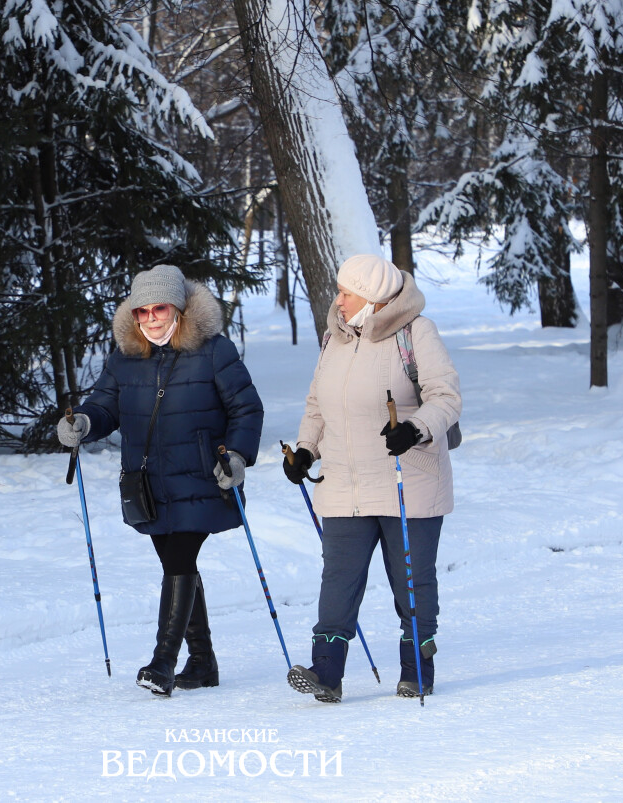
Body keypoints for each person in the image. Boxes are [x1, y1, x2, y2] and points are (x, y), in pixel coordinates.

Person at [56, 264, 263, 696]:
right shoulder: (125, 356)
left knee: (179, 559)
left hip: (204, 477)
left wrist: (238, 457)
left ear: (179, 308)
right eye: (142, 311)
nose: (151, 319)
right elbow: (104, 406)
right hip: (148, 483)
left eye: (159, 309)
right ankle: (203, 662)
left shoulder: (213, 351)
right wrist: (83, 424)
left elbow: (246, 409)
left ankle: (163, 661)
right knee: (176, 563)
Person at [283, 254, 460, 702]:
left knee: (412, 582)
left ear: (374, 297)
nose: (337, 301)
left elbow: (446, 397)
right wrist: (305, 450)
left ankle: (417, 669)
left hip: (409, 480)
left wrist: (415, 429)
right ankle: (326, 673)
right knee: (338, 580)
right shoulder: (334, 339)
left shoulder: (417, 331)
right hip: (344, 480)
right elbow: (317, 406)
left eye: (346, 293)